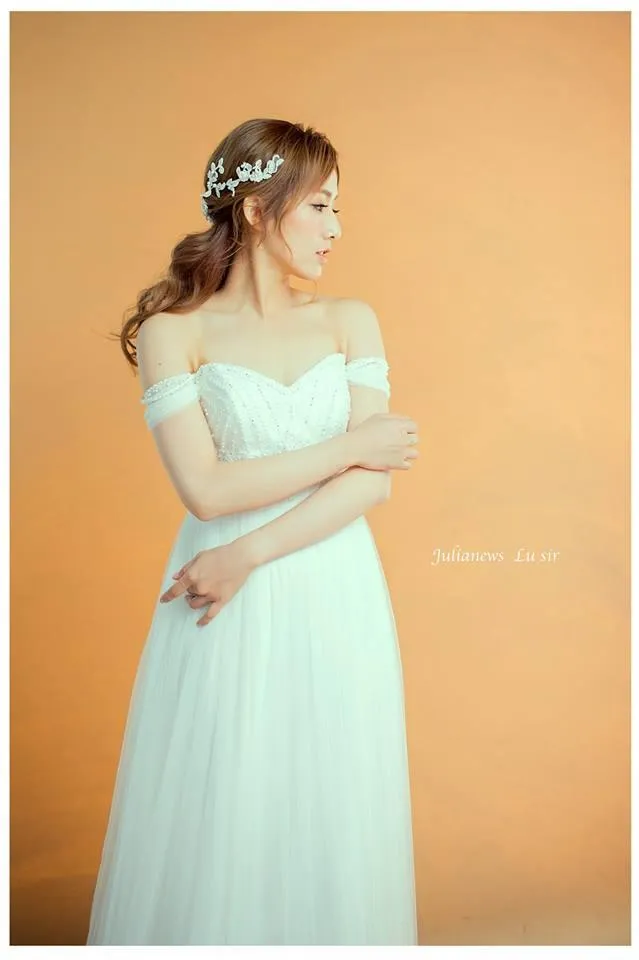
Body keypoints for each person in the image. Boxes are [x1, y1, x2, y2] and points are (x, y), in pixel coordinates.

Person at [87, 117, 420, 945]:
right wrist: (346, 448)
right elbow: (205, 490)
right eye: (320, 206)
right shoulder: (175, 332)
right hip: (220, 601)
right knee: (225, 791)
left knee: (330, 788)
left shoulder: (350, 319)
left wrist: (246, 552)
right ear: (257, 208)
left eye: (337, 208)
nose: (336, 227)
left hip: (326, 583)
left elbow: (371, 484)